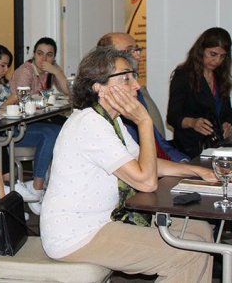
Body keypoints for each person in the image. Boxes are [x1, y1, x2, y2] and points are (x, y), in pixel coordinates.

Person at [40, 46, 214, 281]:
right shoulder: (90, 124)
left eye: (134, 76)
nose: (136, 85)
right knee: (189, 253)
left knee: (201, 231)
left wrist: (198, 171)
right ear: (99, 87)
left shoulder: (111, 120)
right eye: (126, 78)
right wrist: (144, 122)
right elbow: (146, 181)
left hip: (105, 220)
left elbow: (145, 163)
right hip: (78, 234)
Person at [0, 44, 60, 214]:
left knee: (56, 130)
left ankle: (37, 187)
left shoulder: (1, 83)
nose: (5, 70)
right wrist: (13, 100)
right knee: (48, 134)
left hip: (13, 127)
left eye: (7, 66)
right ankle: (34, 189)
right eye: (2, 65)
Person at [97, 32, 189, 162]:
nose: (138, 56)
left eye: (137, 50)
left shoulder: (136, 92)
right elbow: (135, 163)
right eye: (129, 51)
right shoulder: (101, 112)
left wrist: (183, 162)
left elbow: (159, 142)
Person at [167, 27, 232, 159]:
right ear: (201, 50)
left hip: (216, 146)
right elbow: (173, 117)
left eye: (222, 56)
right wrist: (193, 123)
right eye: (213, 54)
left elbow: (228, 113)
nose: (217, 61)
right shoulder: (183, 76)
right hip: (191, 148)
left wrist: (227, 124)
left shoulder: (220, 76)